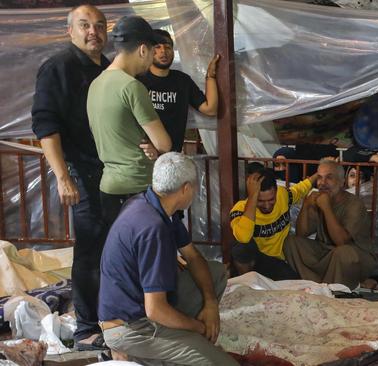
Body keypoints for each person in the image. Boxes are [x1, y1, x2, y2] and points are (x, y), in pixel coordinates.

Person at [98, 152, 237, 365]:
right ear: (186, 189)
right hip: (131, 327)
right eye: (195, 187)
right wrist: (199, 327)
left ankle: (162, 349)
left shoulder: (151, 205)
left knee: (215, 272)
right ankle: (136, 352)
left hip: (139, 310)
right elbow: (155, 310)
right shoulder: (153, 228)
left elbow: (193, 257)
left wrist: (210, 305)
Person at [31, 5, 109, 351]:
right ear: (70, 31)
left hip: (114, 171)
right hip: (81, 169)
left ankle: (112, 316)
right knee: (90, 249)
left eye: (99, 25)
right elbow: (45, 125)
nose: (93, 31)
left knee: (113, 246)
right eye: (85, 25)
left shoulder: (109, 69)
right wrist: (63, 176)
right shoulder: (58, 68)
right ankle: (87, 329)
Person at [88, 16, 172, 228]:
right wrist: (156, 147)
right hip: (137, 187)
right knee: (144, 257)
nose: (153, 57)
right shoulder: (132, 87)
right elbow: (164, 144)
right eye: (153, 51)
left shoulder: (96, 84)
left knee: (122, 255)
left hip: (108, 187)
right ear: (143, 50)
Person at [283, 160, 377, 290]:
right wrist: (306, 205)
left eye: (329, 178)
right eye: (320, 178)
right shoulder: (321, 199)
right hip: (327, 252)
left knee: (343, 253)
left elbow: (341, 241)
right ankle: (319, 286)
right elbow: (301, 234)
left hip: (356, 257)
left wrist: (327, 208)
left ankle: (333, 289)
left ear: (341, 181)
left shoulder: (355, 204)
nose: (322, 183)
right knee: (291, 242)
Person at [137, 29, 220, 153]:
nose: (163, 51)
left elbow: (210, 109)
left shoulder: (182, 81)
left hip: (172, 158)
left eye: (167, 47)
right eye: (157, 47)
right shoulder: (138, 81)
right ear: (148, 50)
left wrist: (210, 76)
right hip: (143, 156)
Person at [229, 166, 316, 280]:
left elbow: (300, 189)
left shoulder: (282, 194)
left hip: (276, 261)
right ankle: (246, 283)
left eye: (271, 200)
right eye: (260, 201)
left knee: (293, 283)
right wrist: (253, 199)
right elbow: (243, 238)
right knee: (240, 245)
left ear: (276, 191)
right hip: (254, 261)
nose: (266, 206)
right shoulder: (240, 209)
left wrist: (317, 174)